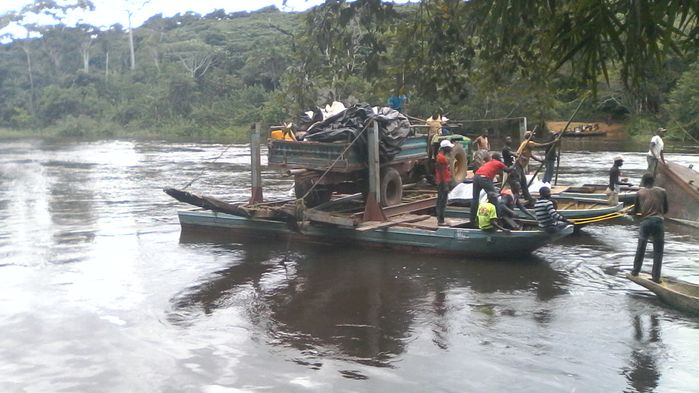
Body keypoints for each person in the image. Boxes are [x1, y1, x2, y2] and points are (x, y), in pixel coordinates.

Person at [630, 173, 668, 283]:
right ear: (653, 181)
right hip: (659, 222)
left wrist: (632, 213)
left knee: (641, 247)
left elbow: (636, 211)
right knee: (658, 251)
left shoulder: (639, 193)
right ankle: (656, 277)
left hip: (646, 222)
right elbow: (665, 210)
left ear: (643, 182)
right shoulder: (662, 191)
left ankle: (635, 271)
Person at [470, 152, 512, 225]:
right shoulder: (498, 163)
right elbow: (508, 170)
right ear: (498, 158)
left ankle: (472, 219)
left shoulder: (489, 163)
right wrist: (514, 166)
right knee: (494, 198)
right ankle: (498, 219)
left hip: (476, 177)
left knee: (475, 199)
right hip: (484, 178)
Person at [435, 139, 454, 226]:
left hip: (442, 181)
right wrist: (445, 184)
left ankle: (440, 219)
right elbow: (442, 172)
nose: (451, 149)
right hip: (443, 182)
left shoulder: (440, 156)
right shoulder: (441, 158)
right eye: (449, 148)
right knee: (442, 201)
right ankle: (441, 221)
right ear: (445, 148)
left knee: (440, 201)